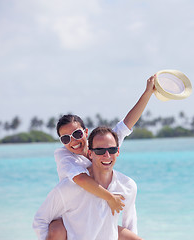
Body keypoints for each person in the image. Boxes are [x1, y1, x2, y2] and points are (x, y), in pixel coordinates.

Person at [44, 76, 155, 239]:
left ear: (85, 132)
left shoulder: (102, 145)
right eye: (66, 139)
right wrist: (111, 198)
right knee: (56, 231)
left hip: (100, 216)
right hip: (74, 219)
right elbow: (81, 179)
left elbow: (127, 124)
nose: (73, 141)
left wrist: (147, 93)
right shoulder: (64, 157)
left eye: (76, 134)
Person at [33, 127, 141, 240]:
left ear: (118, 151)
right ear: (90, 153)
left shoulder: (127, 186)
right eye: (100, 151)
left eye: (112, 150)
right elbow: (41, 220)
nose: (107, 155)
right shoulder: (70, 188)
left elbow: (130, 227)